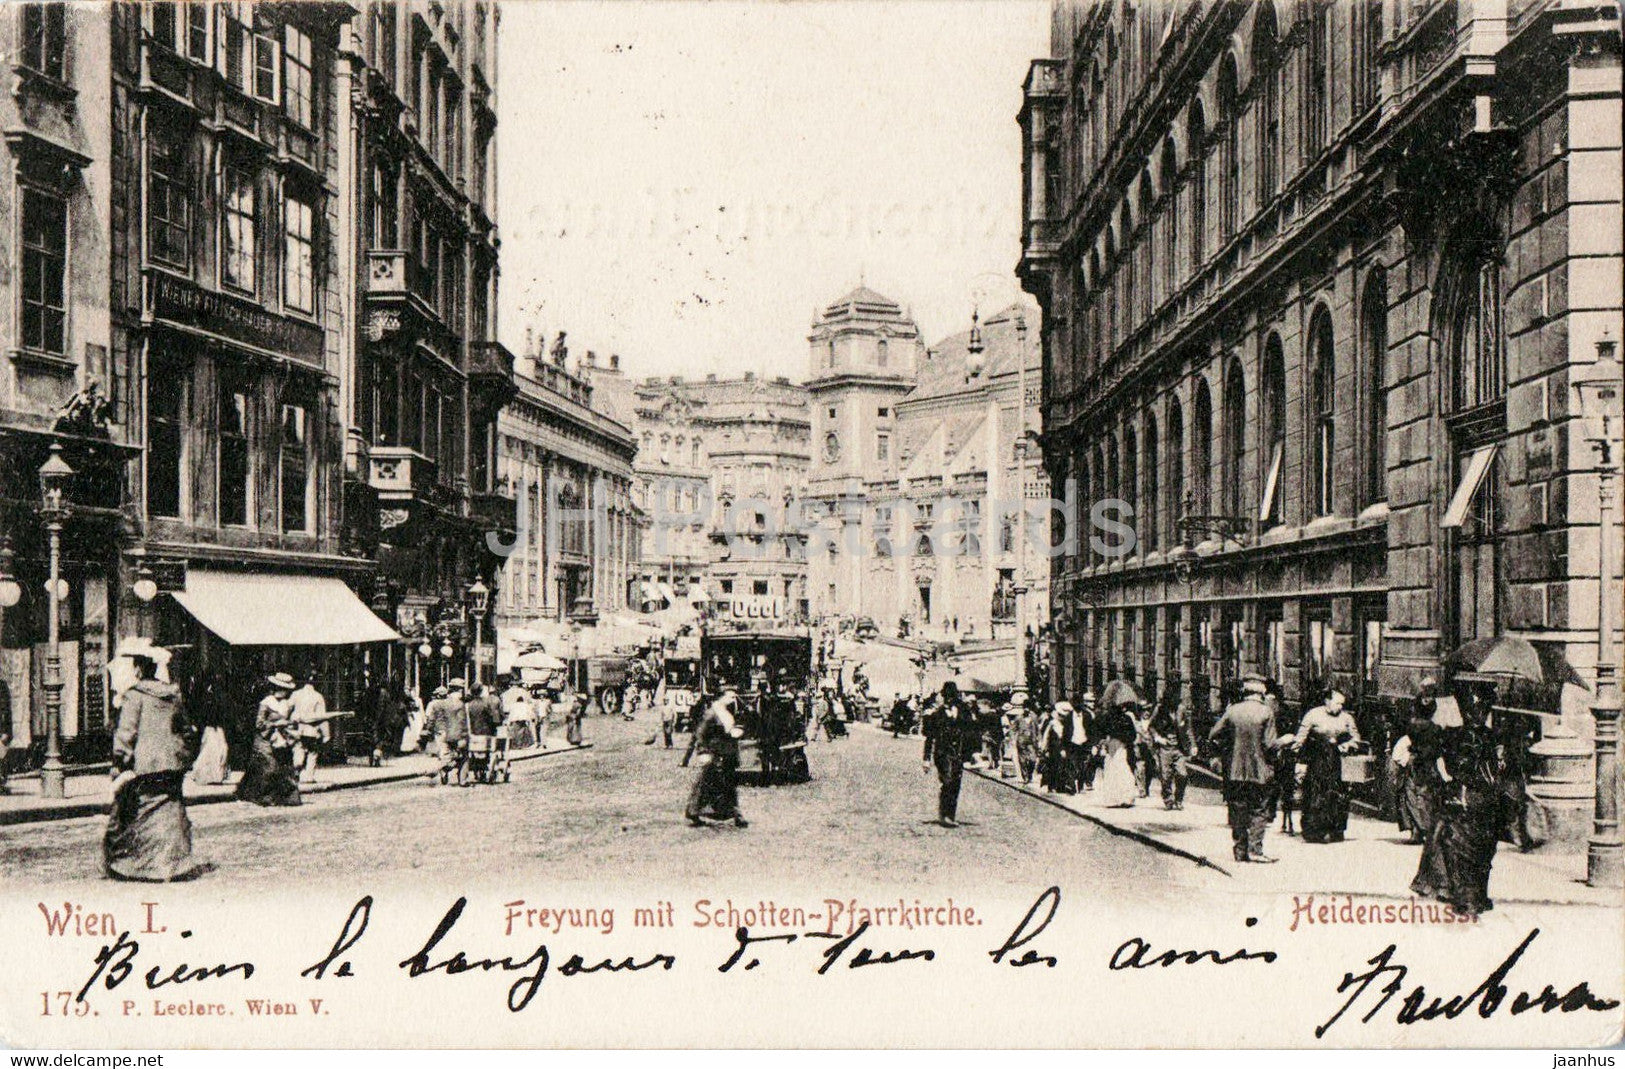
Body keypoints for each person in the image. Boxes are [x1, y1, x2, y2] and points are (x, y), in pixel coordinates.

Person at [104, 650, 204, 882]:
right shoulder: (172, 693)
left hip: (145, 764)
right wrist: (184, 754)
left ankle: (138, 865)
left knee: (136, 813)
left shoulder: (134, 695)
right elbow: (186, 729)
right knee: (171, 811)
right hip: (173, 763)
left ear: (138, 670)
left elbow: (127, 733)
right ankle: (174, 865)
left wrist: (119, 761)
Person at [1414, 686, 1505, 917]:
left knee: (1475, 848)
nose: (1476, 714)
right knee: (1468, 848)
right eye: (1472, 710)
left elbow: (1440, 760)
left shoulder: (1481, 737)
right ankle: (1469, 897)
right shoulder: (1471, 736)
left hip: (1474, 797)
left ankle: (1474, 896)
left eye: (1480, 709)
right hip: (1470, 796)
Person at [1209, 676, 1281, 863]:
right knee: (1259, 809)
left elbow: (1213, 734)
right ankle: (1255, 850)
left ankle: (1240, 851)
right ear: (1261, 693)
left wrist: (1229, 750)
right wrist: (1285, 741)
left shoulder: (1232, 711)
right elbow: (1270, 744)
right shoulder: (1266, 712)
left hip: (1235, 771)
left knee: (1238, 810)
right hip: (1260, 770)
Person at [1294, 688, 1363, 844]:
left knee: (1337, 795)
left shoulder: (1346, 718)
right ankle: (1314, 831)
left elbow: (1356, 738)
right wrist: (1295, 753)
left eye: (1342, 704)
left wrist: (1348, 745)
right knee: (1315, 794)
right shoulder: (1313, 714)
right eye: (1337, 703)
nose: (1340, 707)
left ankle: (1336, 830)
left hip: (1337, 761)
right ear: (1327, 701)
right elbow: (1301, 737)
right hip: (1317, 760)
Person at [682, 691, 748, 827]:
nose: (732, 700)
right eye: (730, 697)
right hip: (715, 754)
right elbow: (701, 733)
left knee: (727, 785)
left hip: (728, 754)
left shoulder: (728, 711)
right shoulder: (712, 713)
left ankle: (733, 813)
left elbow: (735, 726)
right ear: (721, 697)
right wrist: (703, 751)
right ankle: (695, 811)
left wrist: (737, 731)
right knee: (708, 785)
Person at [236, 673, 302, 807]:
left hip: (280, 738)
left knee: (284, 768)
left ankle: (285, 797)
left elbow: (289, 720)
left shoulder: (286, 704)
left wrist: (291, 723)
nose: (285, 692)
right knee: (268, 768)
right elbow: (259, 724)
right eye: (282, 689)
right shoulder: (266, 703)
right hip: (264, 739)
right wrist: (275, 724)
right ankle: (260, 796)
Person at [921, 681, 979, 827]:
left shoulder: (963, 713)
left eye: (951, 697)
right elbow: (929, 738)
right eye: (947, 697)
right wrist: (926, 759)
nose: (949, 700)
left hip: (958, 753)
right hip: (942, 754)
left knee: (955, 784)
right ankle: (944, 815)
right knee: (947, 781)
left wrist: (973, 753)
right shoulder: (937, 715)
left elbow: (972, 732)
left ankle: (950, 815)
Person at [1148, 693, 1193, 810]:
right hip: (1165, 748)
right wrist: (1157, 737)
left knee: (1183, 774)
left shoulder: (1182, 709)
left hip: (1179, 748)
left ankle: (1178, 799)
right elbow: (1151, 726)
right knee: (1165, 776)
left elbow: (1188, 728)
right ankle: (1168, 800)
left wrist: (1193, 745)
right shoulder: (1159, 709)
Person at [1094, 701, 1140, 808]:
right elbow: (1132, 735)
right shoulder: (1124, 719)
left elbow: (1101, 733)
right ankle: (1122, 798)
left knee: (1117, 771)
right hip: (1117, 748)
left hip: (1118, 748)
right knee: (1120, 771)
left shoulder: (1108, 719)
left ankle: (1117, 798)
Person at [289, 673, 330, 786]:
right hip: (311, 729)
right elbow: (322, 716)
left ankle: (297, 769)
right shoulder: (318, 696)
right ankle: (309, 776)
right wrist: (326, 734)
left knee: (299, 748)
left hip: (297, 727)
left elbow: (288, 708)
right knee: (312, 752)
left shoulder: (296, 694)